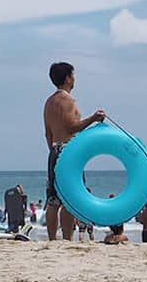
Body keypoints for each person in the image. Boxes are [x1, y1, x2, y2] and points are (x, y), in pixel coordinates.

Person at [42, 61, 107, 243]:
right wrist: (94, 118)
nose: (75, 79)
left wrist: (55, 153)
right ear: (68, 78)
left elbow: (48, 133)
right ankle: (67, 238)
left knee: (54, 200)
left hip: (54, 150)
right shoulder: (68, 100)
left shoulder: (49, 102)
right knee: (70, 198)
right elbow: (72, 127)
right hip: (68, 150)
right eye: (73, 75)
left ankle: (52, 239)